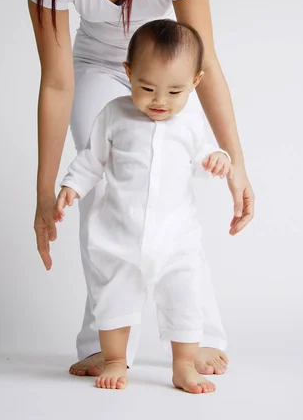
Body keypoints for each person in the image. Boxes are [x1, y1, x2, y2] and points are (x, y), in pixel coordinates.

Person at [27, 0, 255, 377]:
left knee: (174, 180)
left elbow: (206, 60)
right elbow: (57, 82)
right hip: (99, 68)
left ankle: (199, 334)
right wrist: (44, 192)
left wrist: (237, 163)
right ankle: (102, 342)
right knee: (101, 184)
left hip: (164, 68)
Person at [54, 20, 232, 392]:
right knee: (114, 300)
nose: (159, 101)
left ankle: (183, 364)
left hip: (175, 239)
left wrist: (218, 159)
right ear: (128, 72)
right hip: (121, 235)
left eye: (174, 91)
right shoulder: (115, 114)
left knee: (184, 300)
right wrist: (72, 185)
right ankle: (116, 360)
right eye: (147, 87)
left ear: (195, 83)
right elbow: (92, 159)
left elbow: (204, 155)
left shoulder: (190, 122)